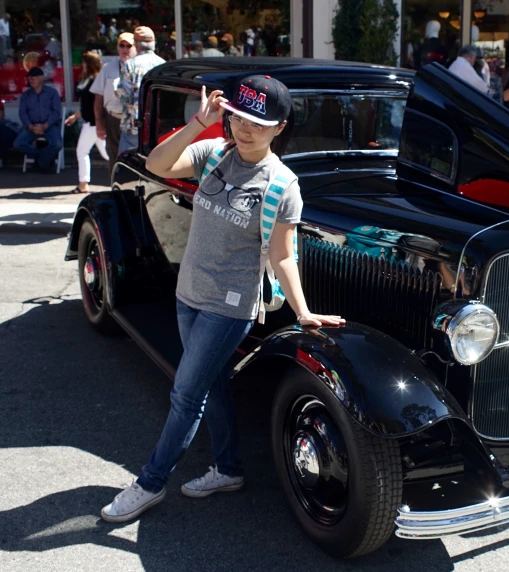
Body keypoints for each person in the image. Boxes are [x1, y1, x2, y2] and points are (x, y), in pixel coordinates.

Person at [100, 77, 345, 522]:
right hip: (188, 292)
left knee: (186, 394)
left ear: (279, 128)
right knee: (210, 384)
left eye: (257, 122)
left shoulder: (282, 184)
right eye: (237, 117)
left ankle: (150, 482)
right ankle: (228, 468)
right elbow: (158, 163)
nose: (244, 128)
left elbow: (283, 254)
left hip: (229, 306)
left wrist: (303, 310)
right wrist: (201, 122)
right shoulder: (213, 153)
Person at [91, 32, 136, 176]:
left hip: (134, 118)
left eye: (128, 45)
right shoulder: (108, 68)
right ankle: (115, 188)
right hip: (113, 118)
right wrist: (99, 123)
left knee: (134, 155)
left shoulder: (140, 67)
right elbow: (98, 97)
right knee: (114, 155)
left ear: (135, 47)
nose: (125, 49)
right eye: (121, 45)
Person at [64, 52, 109, 194]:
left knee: (83, 151)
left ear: (89, 64)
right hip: (91, 122)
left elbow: (96, 104)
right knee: (107, 153)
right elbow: (87, 105)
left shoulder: (95, 81)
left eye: (83, 62)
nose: (81, 65)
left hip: (94, 123)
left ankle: (83, 184)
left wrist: (100, 122)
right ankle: (83, 183)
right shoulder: (88, 80)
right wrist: (76, 116)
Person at [116, 26, 165, 154]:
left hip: (135, 126)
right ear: (153, 44)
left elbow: (124, 95)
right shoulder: (163, 65)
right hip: (157, 127)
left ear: (136, 46)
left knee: (128, 168)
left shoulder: (130, 64)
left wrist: (116, 88)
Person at [13, 66, 63, 173]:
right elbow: (23, 113)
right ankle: (42, 160)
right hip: (32, 126)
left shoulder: (52, 93)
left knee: (57, 144)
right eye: (29, 78)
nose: (31, 79)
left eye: (34, 77)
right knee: (18, 144)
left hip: (49, 126)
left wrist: (45, 125)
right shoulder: (26, 95)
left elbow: (56, 112)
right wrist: (30, 126)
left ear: (41, 77)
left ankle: (40, 162)